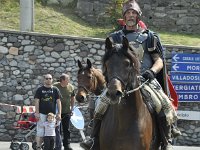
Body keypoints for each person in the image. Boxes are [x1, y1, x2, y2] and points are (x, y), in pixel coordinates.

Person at [80, 1, 181, 150]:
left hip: (144, 79)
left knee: (163, 103)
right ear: (124, 17)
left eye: (133, 13)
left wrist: (152, 72)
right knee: (99, 104)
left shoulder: (149, 37)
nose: (131, 16)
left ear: (138, 16)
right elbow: (109, 60)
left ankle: (166, 141)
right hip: (120, 79)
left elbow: (158, 60)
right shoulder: (115, 37)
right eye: (128, 13)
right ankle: (93, 138)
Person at [34, 74, 61, 150]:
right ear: (44, 80)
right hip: (42, 114)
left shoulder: (55, 89)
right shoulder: (40, 89)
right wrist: (37, 113)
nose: (48, 80)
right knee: (40, 131)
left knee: (52, 131)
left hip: (52, 115)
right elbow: (37, 101)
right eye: (47, 78)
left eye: (50, 78)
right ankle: (38, 147)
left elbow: (58, 102)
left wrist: (59, 113)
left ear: (52, 80)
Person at [54, 74, 75, 150]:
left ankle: (67, 145)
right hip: (56, 112)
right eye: (68, 79)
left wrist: (72, 109)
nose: (69, 80)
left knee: (67, 129)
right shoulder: (54, 86)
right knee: (57, 129)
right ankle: (57, 145)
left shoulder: (71, 87)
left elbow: (73, 98)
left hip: (66, 111)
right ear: (62, 80)